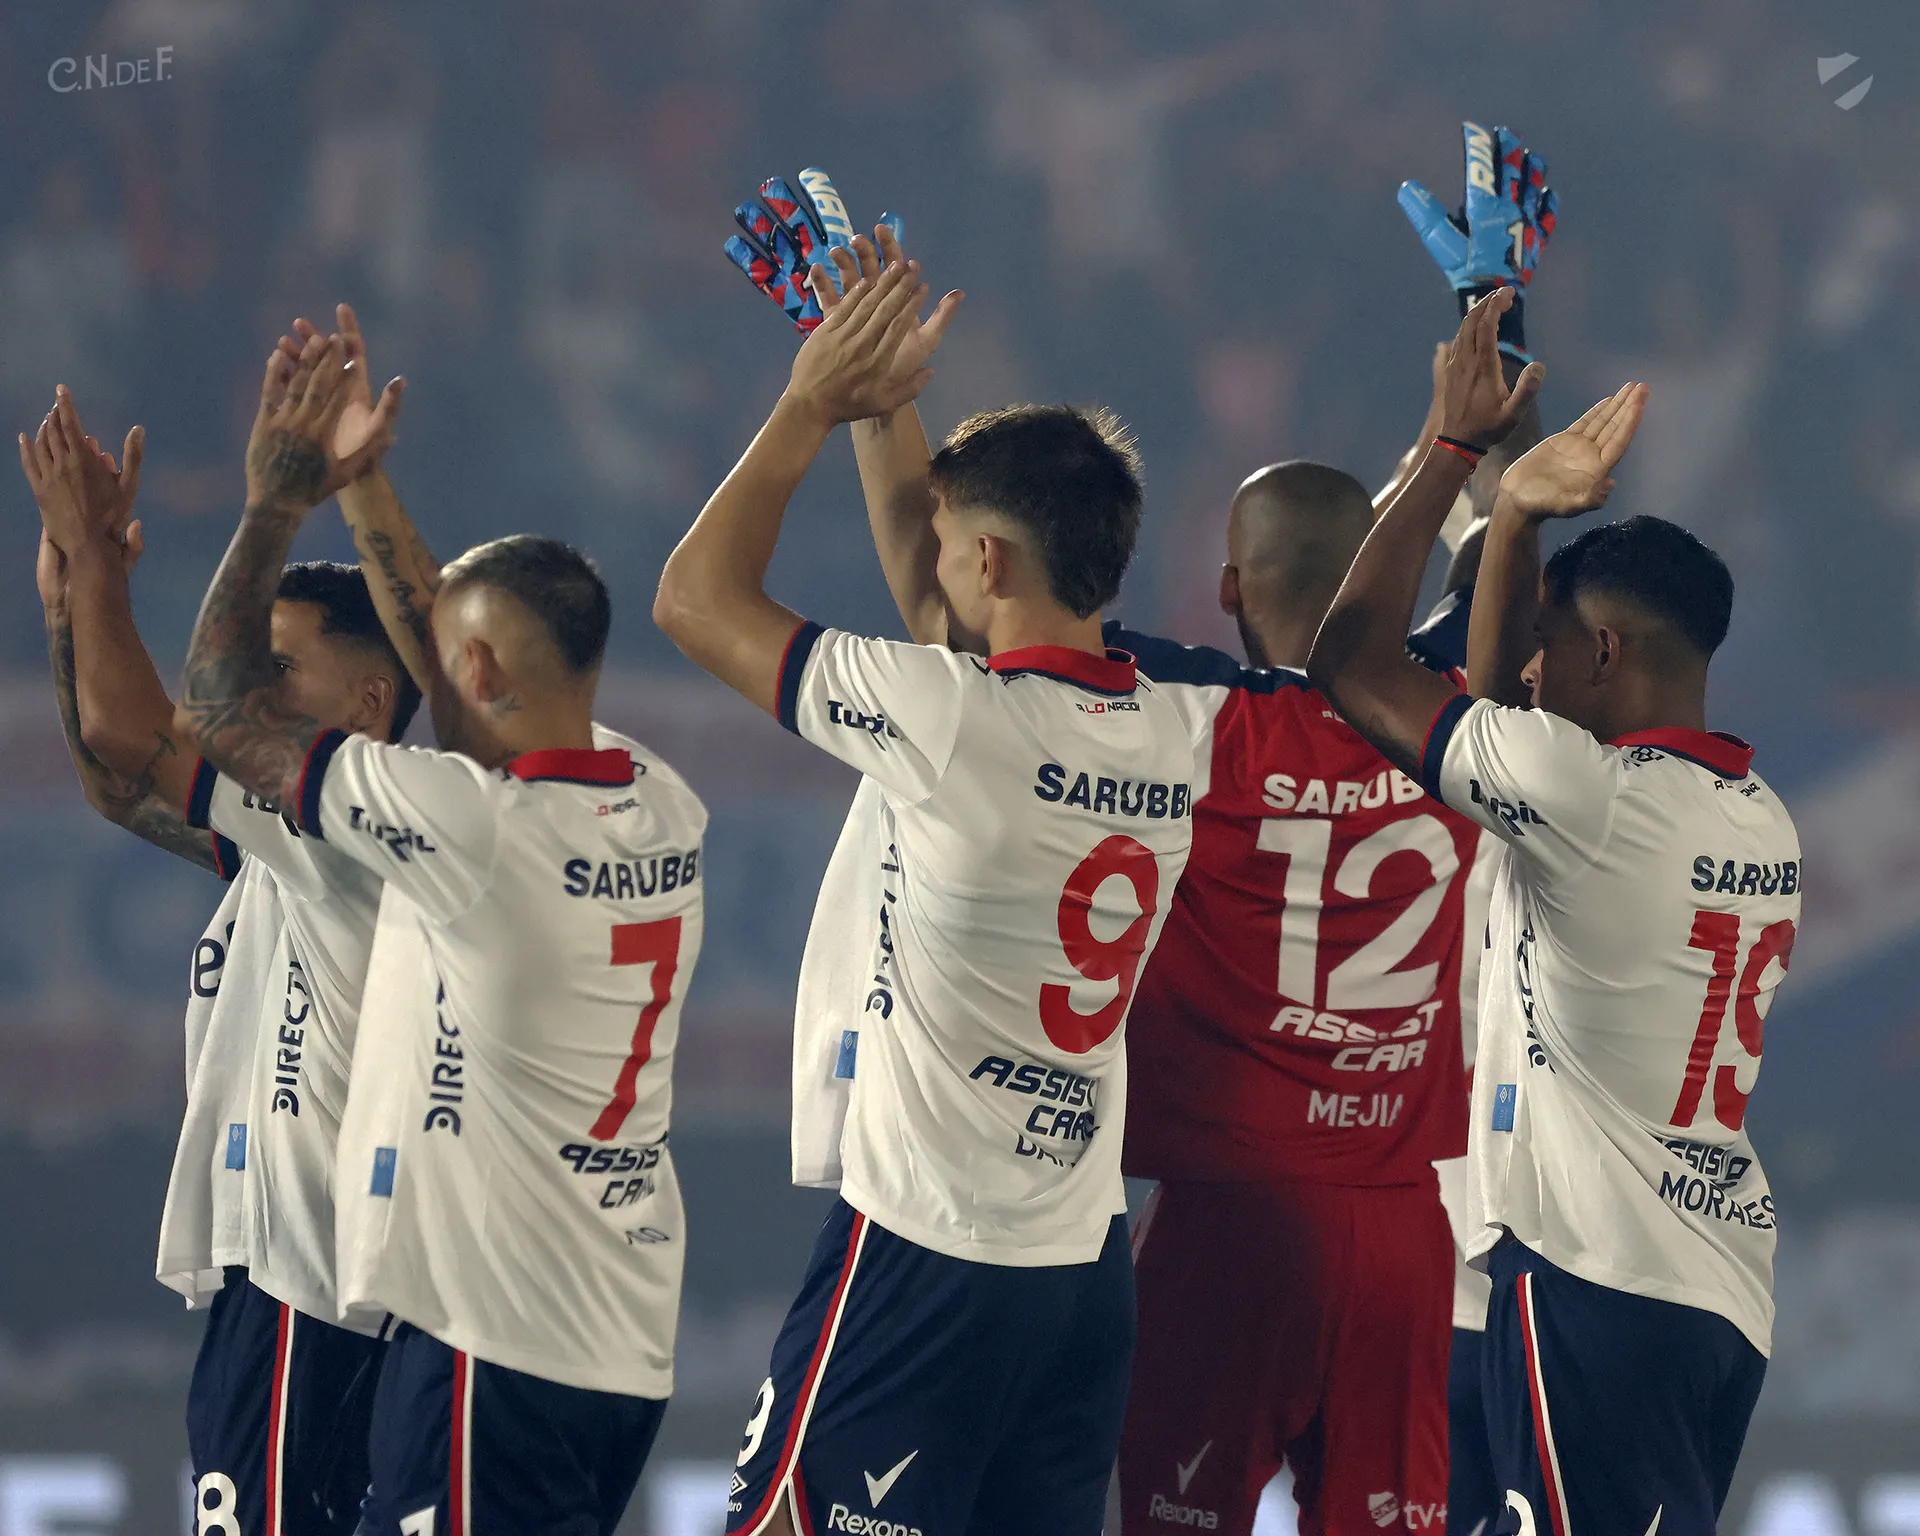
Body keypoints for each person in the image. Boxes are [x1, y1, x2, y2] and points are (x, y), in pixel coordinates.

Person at [655, 254, 1196, 1536]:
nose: (928, 563)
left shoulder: (948, 719)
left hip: (928, 1251)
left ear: (991, 557)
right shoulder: (1171, 731)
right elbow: (949, 609)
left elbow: (693, 598)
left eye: (950, 544)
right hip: (1077, 1269)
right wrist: (887, 406)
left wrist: (811, 403)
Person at [177, 326, 708, 1536]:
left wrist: (278, 502)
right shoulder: (657, 798)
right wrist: (367, 482)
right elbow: (464, 661)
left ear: (470, 667)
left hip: (492, 1337)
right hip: (620, 1343)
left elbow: (216, 712)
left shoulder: (472, 829)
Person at [1308, 287, 1800, 1535]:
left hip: (1595, 1282)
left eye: (1549, 648)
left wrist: (1460, 456)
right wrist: (1518, 517)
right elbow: (1494, 722)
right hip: (1716, 1291)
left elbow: (1349, 662)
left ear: (1607, 654)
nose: (1527, 675)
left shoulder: (1591, 801)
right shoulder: (1759, 817)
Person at [19, 387, 421, 1536]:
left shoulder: (342, 830)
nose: (248, 696)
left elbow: (129, 731)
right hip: (308, 1283)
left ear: (370, 702)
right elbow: (121, 786)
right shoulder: (296, 839)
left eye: (278, 670)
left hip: (310, 1282)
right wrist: (69, 605)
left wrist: (96, 566)